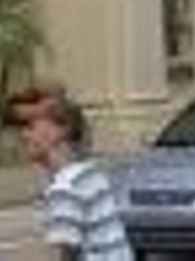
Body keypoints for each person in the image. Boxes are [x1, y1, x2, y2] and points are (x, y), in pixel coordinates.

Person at [21, 89, 133, 261]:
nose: (25, 135)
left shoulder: (65, 187)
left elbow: (66, 255)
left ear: (59, 132)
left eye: (31, 127)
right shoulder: (91, 173)